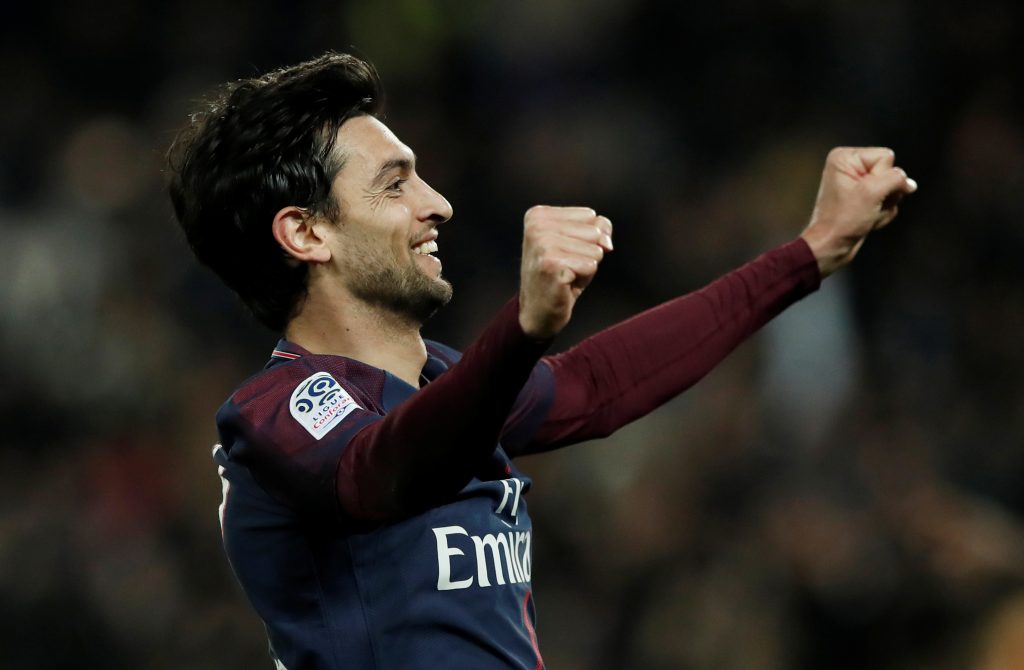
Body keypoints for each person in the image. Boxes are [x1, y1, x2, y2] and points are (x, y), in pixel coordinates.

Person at [168, 52, 916, 670]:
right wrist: (522, 329)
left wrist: (813, 252)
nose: (437, 203)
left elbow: (596, 383)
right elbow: (385, 469)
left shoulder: (440, 383)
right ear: (305, 234)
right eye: (394, 184)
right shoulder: (275, 415)